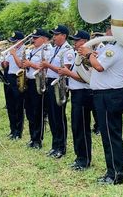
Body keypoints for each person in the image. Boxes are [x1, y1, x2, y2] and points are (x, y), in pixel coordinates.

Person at [77, 26, 123, 185]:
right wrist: (90, 56)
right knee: (109, 135)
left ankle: (115, 174)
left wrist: (88, 53)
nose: (106, 33)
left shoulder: (114, 49)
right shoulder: (112, 48)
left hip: (109, 96)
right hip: (107, 95)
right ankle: (113, 171)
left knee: (110, 136)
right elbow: (97, 64)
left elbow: (99, 67)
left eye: (109, 30)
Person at [59, 30, 93, 171]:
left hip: (83, 93)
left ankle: (84, 160)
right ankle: (80, 157)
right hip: (76, 93)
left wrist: (68, 73)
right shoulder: (76, 55)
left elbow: (85, 78)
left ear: (85, 42)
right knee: (76, 127)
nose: (75, 43)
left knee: (82, 128)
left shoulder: (87, 57)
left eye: (77, 40)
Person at [42, 24, 72, 159]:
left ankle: (61, 147)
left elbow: (64, 70)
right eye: (53, 34)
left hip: (60, 84)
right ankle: (55, 145)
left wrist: (47, 65)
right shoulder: (55, 49)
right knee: (52, 116)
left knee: (59, 116)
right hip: (50, 82)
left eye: (56, 34)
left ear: (64, 36)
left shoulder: (68, 50)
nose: (53, 37)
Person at [23, 28, 51, 149]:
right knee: (29, 111)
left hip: (38, 82)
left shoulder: (47, 50)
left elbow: (44, 68)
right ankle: (32, 137)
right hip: (28, 82)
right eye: (33, 38)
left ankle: (37, 139)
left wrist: (30, 64)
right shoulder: (31, 50)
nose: (33, 40)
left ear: (43, 39)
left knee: (37, 111)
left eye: (36, 38)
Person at [3, 31, 26, 140]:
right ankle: (12, 130)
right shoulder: (12, 50)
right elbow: (5, 65)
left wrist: (14, 54)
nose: (13, 43)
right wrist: (3, 59)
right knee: (10, 105)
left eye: (15, 41)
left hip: (18, 78)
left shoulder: (24, 50)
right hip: (9, 77)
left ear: (20, 41)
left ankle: (18, 131)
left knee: (18, 106)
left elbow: (21, 65)